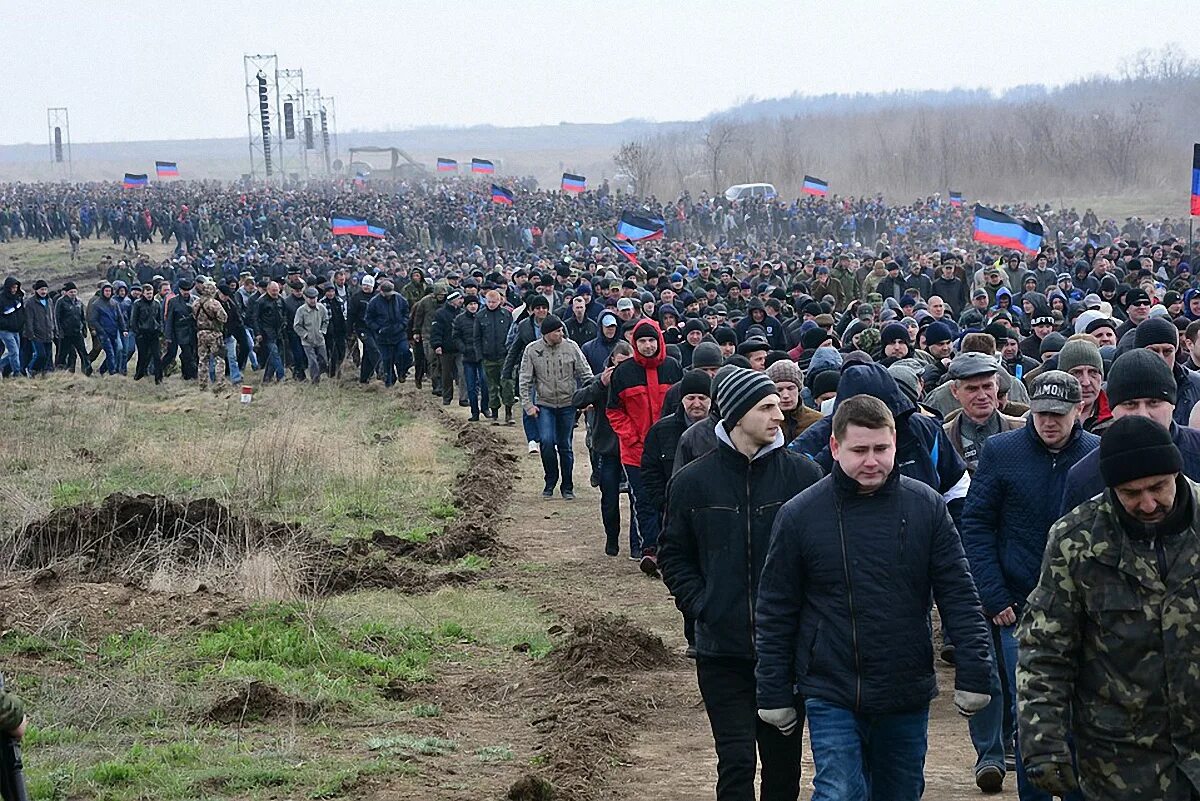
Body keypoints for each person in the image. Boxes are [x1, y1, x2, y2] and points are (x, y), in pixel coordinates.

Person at [755, 394, 993, 801]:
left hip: (905, 686)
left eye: (881, 449)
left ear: (895, 444)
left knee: (899, 792)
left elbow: (958, 592)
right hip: (831, 685)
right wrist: (774, 691)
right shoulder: (800, 515)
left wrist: (975, 672)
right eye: (859, 450)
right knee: (838, 790)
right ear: (835, 447)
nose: (871, 461)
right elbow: (776, 608)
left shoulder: (926, 507)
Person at [660, 366, 823, 801]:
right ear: (735, 414)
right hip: (720, 651)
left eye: (777, 405)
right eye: (766, 407)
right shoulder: (692, 481)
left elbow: (821, 558)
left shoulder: (804, 477)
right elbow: (673, 555)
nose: (778, 415)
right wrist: (703, 604)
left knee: (783, 768)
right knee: (735, 762)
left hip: (784, 651)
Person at [1018, 415, 1200, 801]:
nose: (1148, 503)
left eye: (1158, 487)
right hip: (1121, 764)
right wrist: (1044, 740)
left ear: (1177, 474)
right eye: (1131, 493)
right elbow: (1045, 649)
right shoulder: (1076, 541)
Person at [960, 371, 1099, 796]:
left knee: (1080, 713)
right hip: (1019, 606)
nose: (1048, 422)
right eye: (1040, 413)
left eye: (1058, 414)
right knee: (1030, 714)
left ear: (1080, 410)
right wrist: (993, 593)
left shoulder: (1097, 456)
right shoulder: (1002, 451)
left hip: (1084, 611)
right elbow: (977, 524)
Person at [1060, 348, 1200, 514]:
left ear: (1173, 404)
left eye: (1153, 402)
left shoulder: (1196, 451)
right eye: (1130, 404)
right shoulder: (1085, 477)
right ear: (1112, 410)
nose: (1142, 414)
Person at [607, 319, 684, 571]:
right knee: (643, 499)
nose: (648, 345)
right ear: (634, 343)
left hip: (670, 449)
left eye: (651, 340)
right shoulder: (624, 372)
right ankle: (649, 549)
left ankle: (671, 549)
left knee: (671, 499)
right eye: (642, 341)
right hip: (635, 451)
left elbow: (681, 406)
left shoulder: (672, 367)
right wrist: (631, 438)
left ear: (659, 340)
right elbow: (614, 412)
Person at [573, 341, 638, 556]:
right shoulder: (602, 381)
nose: (623, 369)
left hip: (634, 447)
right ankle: (612, 538)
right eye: (619, 364)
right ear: (611, 361)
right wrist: (600, 384)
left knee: (637, 498)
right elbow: (578, 399)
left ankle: (637, 545)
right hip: (608, 449)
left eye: (627, 364)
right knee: (609, 497)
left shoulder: (637, 382)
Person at [519, 314, 593, 500]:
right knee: (546, 441)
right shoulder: (532, 350)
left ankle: (567, 486)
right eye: (557, 331)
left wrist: (588, 398)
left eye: (561, 330)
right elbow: (525, 379)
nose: (561, 333)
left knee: (565, 446)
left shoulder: (571, 347)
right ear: (547, 333)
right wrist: (528, 405)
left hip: (568, 404)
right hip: (545, 404)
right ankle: (550, 480)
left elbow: (585, 374)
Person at [941, 352, 1026, 474]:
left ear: (997, 386)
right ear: (955, 391)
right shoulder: (942, 438)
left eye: (987, 387)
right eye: (972, 389)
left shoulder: (1024, 430)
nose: (982, 396)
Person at [476, 289, 515, 424]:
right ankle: (494, 414)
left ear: (500, 301)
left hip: (504, 356)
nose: (491, 304)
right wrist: (480, 355)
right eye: (489, 302)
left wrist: (511, 353)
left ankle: (509, 413)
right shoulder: (480, 316)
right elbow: (477, 337)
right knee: (492, 386)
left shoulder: (506, 315)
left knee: (507, 384)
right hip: (488, 357)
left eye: (494, 302)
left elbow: (512, 335)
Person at [364, 279, 412, 388]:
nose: (388, 296)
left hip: (399, 334)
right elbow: (368, 319)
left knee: (404, 353)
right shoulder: (374, 302)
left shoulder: (400, 300)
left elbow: (406, 313)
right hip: (383, 336)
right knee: (386, 359)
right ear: (381, 291)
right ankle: (389, 382)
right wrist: (378, 328)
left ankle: (402, 372)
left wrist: (403, 325)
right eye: (386, 294)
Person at [765, 359, 822, 444]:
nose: (786, 395)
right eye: (779, 390)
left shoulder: (817, 421)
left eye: (791, 388)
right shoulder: (764, 422)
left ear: (799, 389)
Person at [454, 295, 489, 420]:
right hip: (468, 357)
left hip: (482, 356)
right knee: (471, 385)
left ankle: (485, 407)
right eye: (470, 304)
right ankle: (474, 411)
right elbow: (456, 336)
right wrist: (463, 348)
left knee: (485, 383)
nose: (473, 306)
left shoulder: (483, 317)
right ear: (466, 306)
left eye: (475, 304)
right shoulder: (459, 319)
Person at [193, 280, 229, 390]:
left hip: (201, 333)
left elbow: (194, 317)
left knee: (203, 360)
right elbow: (224, 317)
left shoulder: (195, 303)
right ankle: (220, 384)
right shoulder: (214, 303)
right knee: (219, 359)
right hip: (214, 334)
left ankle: (203, 385)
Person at [431, 290, 465, 406]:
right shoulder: (440, 314)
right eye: (459, 299)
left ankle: (464, 398)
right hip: (446, 349)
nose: (461, 301)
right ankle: (447, 397)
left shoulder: (462, 313)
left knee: (463, 373)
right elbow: (436, 331)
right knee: (447, 375)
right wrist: (437, 345)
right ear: (452, 301)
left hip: (460, 349)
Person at [293, 286, 329, 386]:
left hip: (320, 339)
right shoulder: (301, 311)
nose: (313, 300)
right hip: (307, 342)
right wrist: (305, 335)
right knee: (312, 361)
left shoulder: (322, 308)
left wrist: (323, 331)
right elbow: (297, 326)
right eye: (310, 298)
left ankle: (322, 375)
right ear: (306, 298)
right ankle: (315, 381)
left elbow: (326, 320)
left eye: (315, 298)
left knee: (323, 360)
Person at [54, 281, 91, 375]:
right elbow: (57, 318)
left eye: (75, 291)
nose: (73, 294)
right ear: (66, 292)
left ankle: (87, 370)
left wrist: (84, 329)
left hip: (77, 332)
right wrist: (59, 331)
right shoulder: (60, 302)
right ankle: (59, 370)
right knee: (63, 353)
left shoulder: (79, 302)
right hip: (66, 333)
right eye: (71, 292)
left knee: (83, 352)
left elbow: (82, 317)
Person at [129, 282, 163, 383]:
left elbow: (159, 318)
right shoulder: (137, 304)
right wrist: (137, 332)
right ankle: (139, 375)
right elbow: (133, 320)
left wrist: (160, 329)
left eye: (151, 293)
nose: (149, 295)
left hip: (154, 333)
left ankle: (159, 378)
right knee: (143, 356)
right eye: (147, 293)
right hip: (142, 334)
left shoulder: (156, 303)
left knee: (157, 356)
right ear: (143, 293)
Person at [164, 280, 198, 380]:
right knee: (187, 353)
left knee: (191, 353)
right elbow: (169, 319)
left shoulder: (196, 300)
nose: (186, 292)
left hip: (193, 331)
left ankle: (186, 374)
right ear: (179, 290)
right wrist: (168, 335)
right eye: (184, 290)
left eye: (188, 290)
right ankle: (194, 374)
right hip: (180, 332)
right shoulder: (173, 302)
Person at [23, 279, 56, 376]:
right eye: (41, 289)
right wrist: (31, 333)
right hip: (37, 334)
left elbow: (52, 316)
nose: (44, 292)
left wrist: (54, 329)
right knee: (40, 354)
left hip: (49, 333)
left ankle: (42, 372)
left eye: (45, 289)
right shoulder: (30, 303)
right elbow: (29, 319)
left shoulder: (49, 301)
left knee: (47, 356)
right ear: (36, 290)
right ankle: (31, 369)